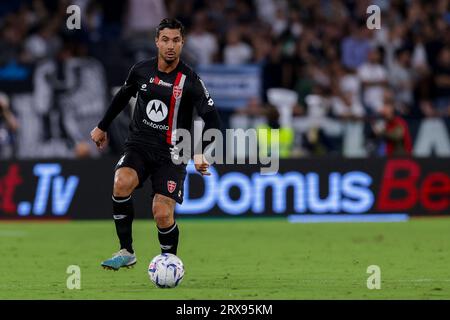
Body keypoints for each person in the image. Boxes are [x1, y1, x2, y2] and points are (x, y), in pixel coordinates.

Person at [90, 18, 221, 271]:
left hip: (172, 153)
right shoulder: (141, 70)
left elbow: (214, 121)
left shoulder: (191, 81)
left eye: (175, 40)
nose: (170, 46)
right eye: (165, 40)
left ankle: (168, 262)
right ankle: (126, 251)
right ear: (156, 42)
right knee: (121, 182)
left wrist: (202, 152)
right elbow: (123, 95)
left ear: (182, 43)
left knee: (161, 213)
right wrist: (102, 126)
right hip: (139, 145)